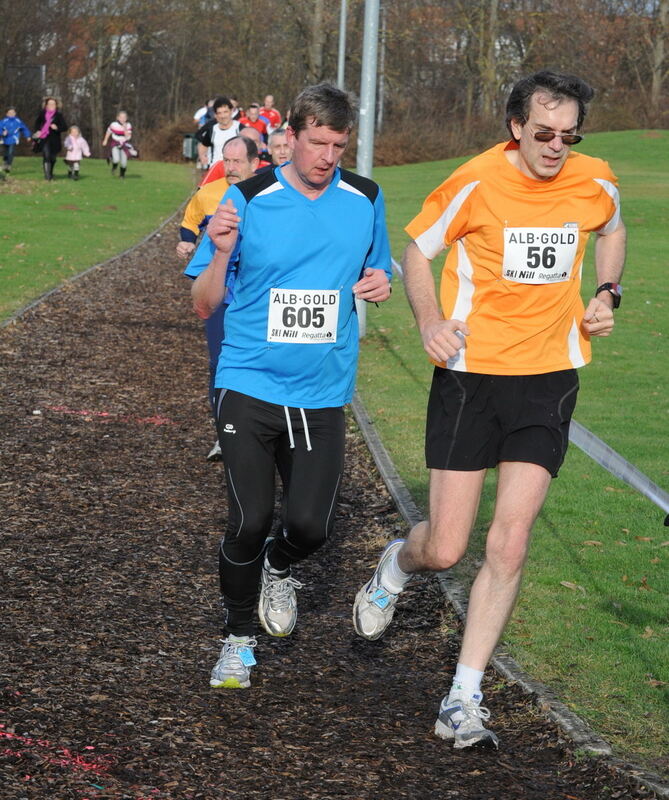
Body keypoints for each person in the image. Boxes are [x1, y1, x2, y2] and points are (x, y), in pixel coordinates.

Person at [352, 69, 626, 749]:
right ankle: (395, 564)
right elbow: (417, 250)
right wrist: (428, 323)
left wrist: (607, 293)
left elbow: (612, 230)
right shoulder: (476, 180)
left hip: (547, 379)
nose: (556, 146)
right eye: (543, 133)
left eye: (567, 135)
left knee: (509, 540)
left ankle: (463, 695)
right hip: (470, 378)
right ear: (515, 128)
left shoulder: (594, 179)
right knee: (445, 548)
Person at [186, 82, 392, 689]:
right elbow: (203, 304)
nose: (328, 157)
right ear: (291, 139)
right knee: (248, 519)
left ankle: (279, 567)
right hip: (248, 378)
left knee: (310, 528)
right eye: (317, 143)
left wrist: (377, 286)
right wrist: (222, 254)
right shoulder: (245, 198)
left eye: (338, 145)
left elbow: (374, 270)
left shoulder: (366, 198)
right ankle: (237, 641)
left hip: (323, 388)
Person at [180, 136, 260, 461]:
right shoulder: (211, 194)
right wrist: (186, 242)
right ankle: (223, 433)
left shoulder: (270, 197)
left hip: (255, 299)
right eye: (227, 160)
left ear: (255, 163)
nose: (231, 168)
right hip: (221, 299)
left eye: (238, 161)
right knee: (220, 365)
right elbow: (189, 224)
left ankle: (259, 434)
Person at [195, 96, 240, 170]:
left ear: (231, 111)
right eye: (219, 113)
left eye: (225, 112)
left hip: (235, 170)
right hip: (214, 169)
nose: (223, 116)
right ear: (215, 115)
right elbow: (203, 144)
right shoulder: (212, 129)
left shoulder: (240, 128)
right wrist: (202, 156)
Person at [33, 97, 68, 181]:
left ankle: (50, 172)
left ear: (56, 105)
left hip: (55, 139)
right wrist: (38, 131)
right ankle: (47, 176)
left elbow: (65, 127)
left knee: (53, 158)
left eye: (53, 104)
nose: (51, 105)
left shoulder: (59, 115)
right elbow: (37, 123)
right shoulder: (42, 114)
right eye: (49, 104)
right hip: (44, 138)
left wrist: (56, 127)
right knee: (46, 155)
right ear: (46, 105)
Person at [0, 107, 31, 174]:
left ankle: (8, 165)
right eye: (10, 113)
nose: (11, 114)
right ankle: (5, 163)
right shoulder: (3, 121)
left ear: (15, 113)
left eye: (13, 112)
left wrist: (28, 136)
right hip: (4, 139)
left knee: (11, 152)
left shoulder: (18, 121)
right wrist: (2, 132)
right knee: (5, 153)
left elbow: (24, 128)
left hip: (13, 139)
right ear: (7, 114)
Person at [102, 111, 133, 178]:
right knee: (116, 159)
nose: (122, 119)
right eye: (121, 117)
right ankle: (114, 167)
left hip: (124, 144)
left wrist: (125, 128)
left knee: (124, 163)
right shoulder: (113, 124)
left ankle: (122, 175)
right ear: (117, 118)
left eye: (124, 117)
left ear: (126, 118)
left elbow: (128, 137)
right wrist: (105, 140)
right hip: (115, 143)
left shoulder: (128, 125)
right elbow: (108, 132)